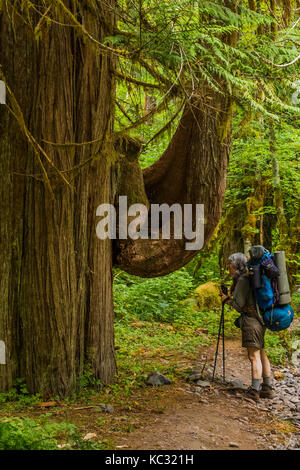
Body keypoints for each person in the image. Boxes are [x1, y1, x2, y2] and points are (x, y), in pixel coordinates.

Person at [220, 253, 275, 400]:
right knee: (261, 352)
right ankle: (267, 388)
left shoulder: (243, 280)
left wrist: (226, 300)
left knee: (253, 355)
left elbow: (238, 306)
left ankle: (254, 391)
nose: (228, 266)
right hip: (262, 319)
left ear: (236, 264)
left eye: (230, 263)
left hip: (251, 321)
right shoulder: (253, 277)